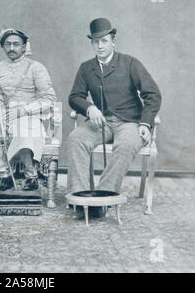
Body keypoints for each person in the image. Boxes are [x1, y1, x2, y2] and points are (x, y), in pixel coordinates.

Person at [67, 18, 161, 215]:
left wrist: (145, 123)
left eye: (104, 41)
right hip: (100, 122)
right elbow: (75, 96)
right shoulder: (86, 68)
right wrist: (89, 107)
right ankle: (80, 197)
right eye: (95, 42)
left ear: (113, 41)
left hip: (130, 122)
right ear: (91, 43)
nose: (100, 46)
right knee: (76, 138)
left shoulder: (130, 63)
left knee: (125, 146)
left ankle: (103, 197)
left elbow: (152, 94)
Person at [0, 28, 57, 192]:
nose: (12, 48)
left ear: (24, 47)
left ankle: (31, 177)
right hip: (3, 115)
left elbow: (49, 99)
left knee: (23, 131)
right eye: (8, 44)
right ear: (3, 47)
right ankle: (5, 177)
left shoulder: (36, 68)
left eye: (16, 44)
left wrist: (24, 111)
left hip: (28, 114)